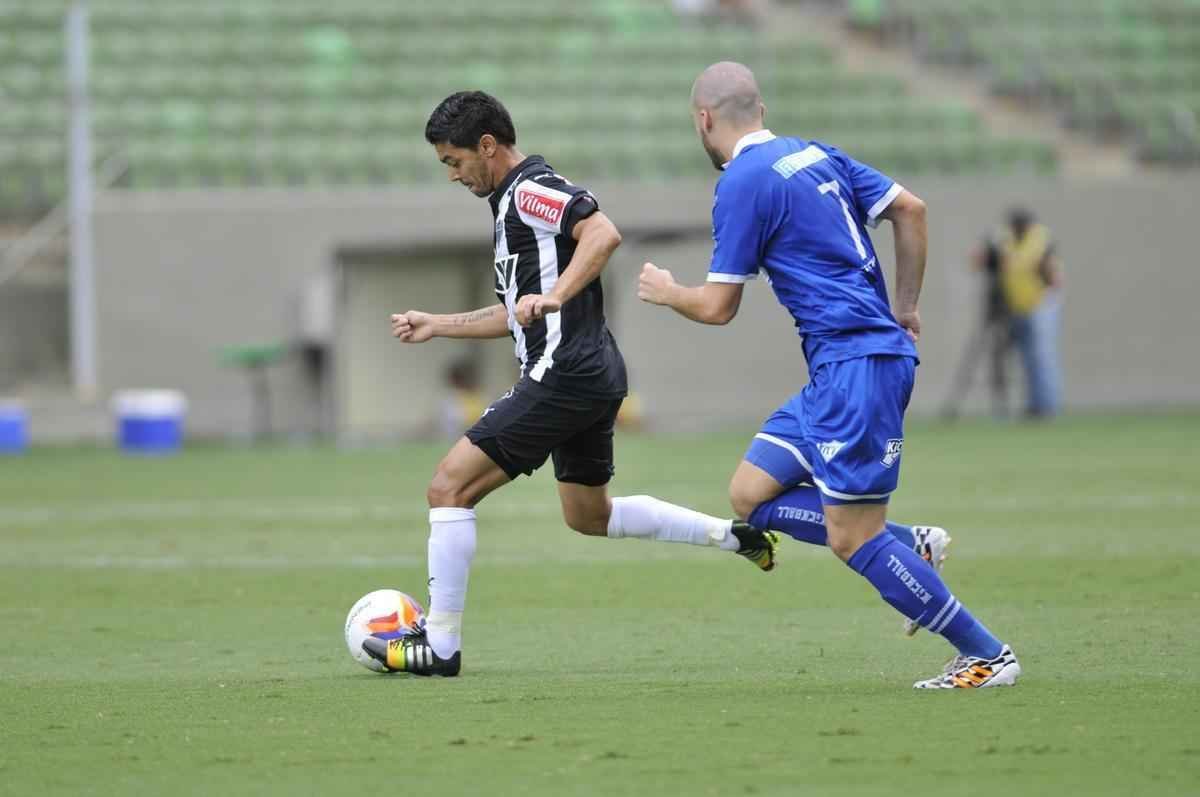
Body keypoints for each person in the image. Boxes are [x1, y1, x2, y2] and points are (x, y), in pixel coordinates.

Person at [363, 91, 781, 677]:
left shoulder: (530, 189)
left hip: (564, 372)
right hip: (591, 372)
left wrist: (558, 294)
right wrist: (440, 325)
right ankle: (731, 537)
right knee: (588, 514)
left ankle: (440, 644)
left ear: (487, 147)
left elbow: (603, 234)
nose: (453, 175)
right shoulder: (508, 205)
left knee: (447, 490)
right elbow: (520, 309)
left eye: (454, 162)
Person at [636, 62, 1021, 689]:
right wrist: (906, 307)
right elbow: (912, 210)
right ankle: (908, 544)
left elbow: (716, 306)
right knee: (750, 495)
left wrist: (668, 290)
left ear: (704, 120)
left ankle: (986, 655)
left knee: (850, 539)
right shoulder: (816, 153)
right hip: (843, 368)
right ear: (759, 108)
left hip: (856, 368)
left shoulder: (742, 182)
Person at [993, 207, 1063, 419]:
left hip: (1040, 305)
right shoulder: (1007, 240)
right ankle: (1035, 404)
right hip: (1017, 307)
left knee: (1041, 357)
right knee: (1028, 358)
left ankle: (1046, 406)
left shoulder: (1041, 240)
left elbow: (1052, 274)